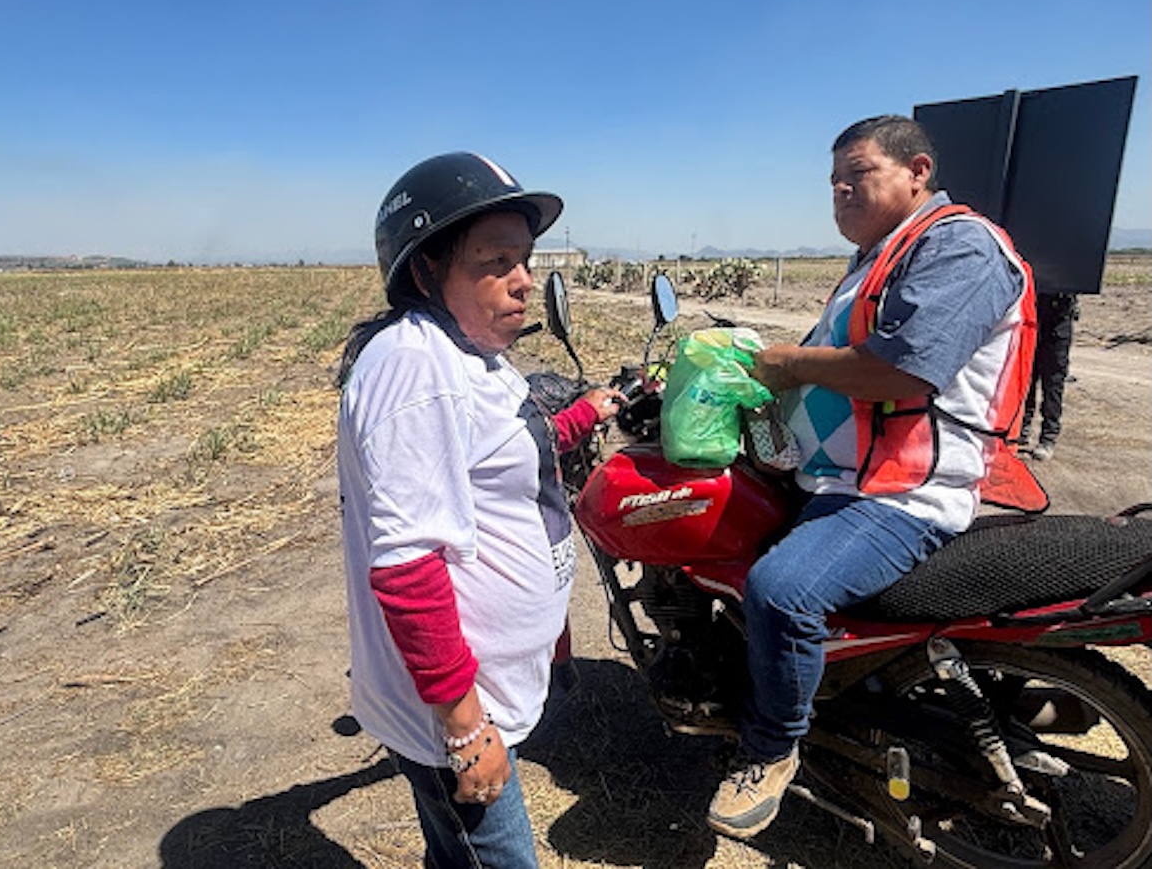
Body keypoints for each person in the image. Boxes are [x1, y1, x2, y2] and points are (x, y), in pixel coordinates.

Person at [706, 115, 1046, 841]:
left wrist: (789, 364)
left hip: (900, 492)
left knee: (781, 589)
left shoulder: (958, 244)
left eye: (855, 173)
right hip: (845, 476)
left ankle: (768, 750)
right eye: (832, 178)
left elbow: (900, 366)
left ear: (916, 171)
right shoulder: (880, 253)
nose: (837, 189)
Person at [336, 151, 624, 868]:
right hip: (454, 710)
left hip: (478, 693)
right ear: (427, 270)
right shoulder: (417, 369)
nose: (523, 279)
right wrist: (466, 730)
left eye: (524, 259)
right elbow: (406, 568)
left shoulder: (471, 354)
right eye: (495, 262)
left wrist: (585, 415)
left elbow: (498, 453)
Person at [1020, 291, 1079, 461]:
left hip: (1058, 317)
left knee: (1053, 382)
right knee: (1026, 375)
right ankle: (1022, 428)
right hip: (1031, 312)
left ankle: (1048, 438)